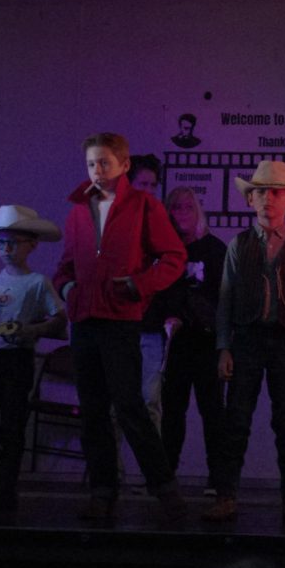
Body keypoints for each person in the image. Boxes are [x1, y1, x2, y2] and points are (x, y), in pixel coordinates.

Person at [53, 133, 188, 522]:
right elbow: (64, 266)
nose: (97, 171)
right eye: (92, 164)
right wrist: (69, 288)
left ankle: (164, 487)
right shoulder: (79, 209)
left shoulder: (144, 206)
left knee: (130, 407)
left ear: (124, 165)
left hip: (120, 320)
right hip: (85, 322)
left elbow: (173, 257)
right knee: (93, 410)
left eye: (105, 163)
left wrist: (138, 285)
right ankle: (102, 490)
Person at [203, 161, 285, 525]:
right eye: (261, 192)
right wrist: (224, 347)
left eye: (277, 192)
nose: (268, 199)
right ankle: (226, 495)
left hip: (284, 340)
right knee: (236, 420)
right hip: (246, 340)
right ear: (250, 200)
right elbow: (226, 299)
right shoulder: (239, 244)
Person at [0, 205, 68, 511]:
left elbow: (60, 319)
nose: (6, 249)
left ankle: (5, 490)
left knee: (11, 427)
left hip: (16, 360)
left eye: (13, 242)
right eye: (1, 242)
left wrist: (32, 330)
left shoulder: (36, 283)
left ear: (32, 244)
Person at [156, 186, 227, 492]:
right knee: (172, 412)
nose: (181, 213)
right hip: (175, 344)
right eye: (175, 208)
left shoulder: (215, 249)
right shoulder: (164, 251)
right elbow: (158, 293)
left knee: (213, 412)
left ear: (198, 210)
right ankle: (166, 476)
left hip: (208, 343)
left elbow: (226, 299)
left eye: (187, 207)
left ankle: (219, 478)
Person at [128, 153, 168, 431]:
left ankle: (152, 473)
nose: (149, 191)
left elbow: (173, 270)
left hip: (152, 327)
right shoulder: (116, 223)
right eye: (143, 184)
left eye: (153, 185)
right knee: (117, 403)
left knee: (151, 402)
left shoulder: (162, 222)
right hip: (122, 325)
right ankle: (113, 472)